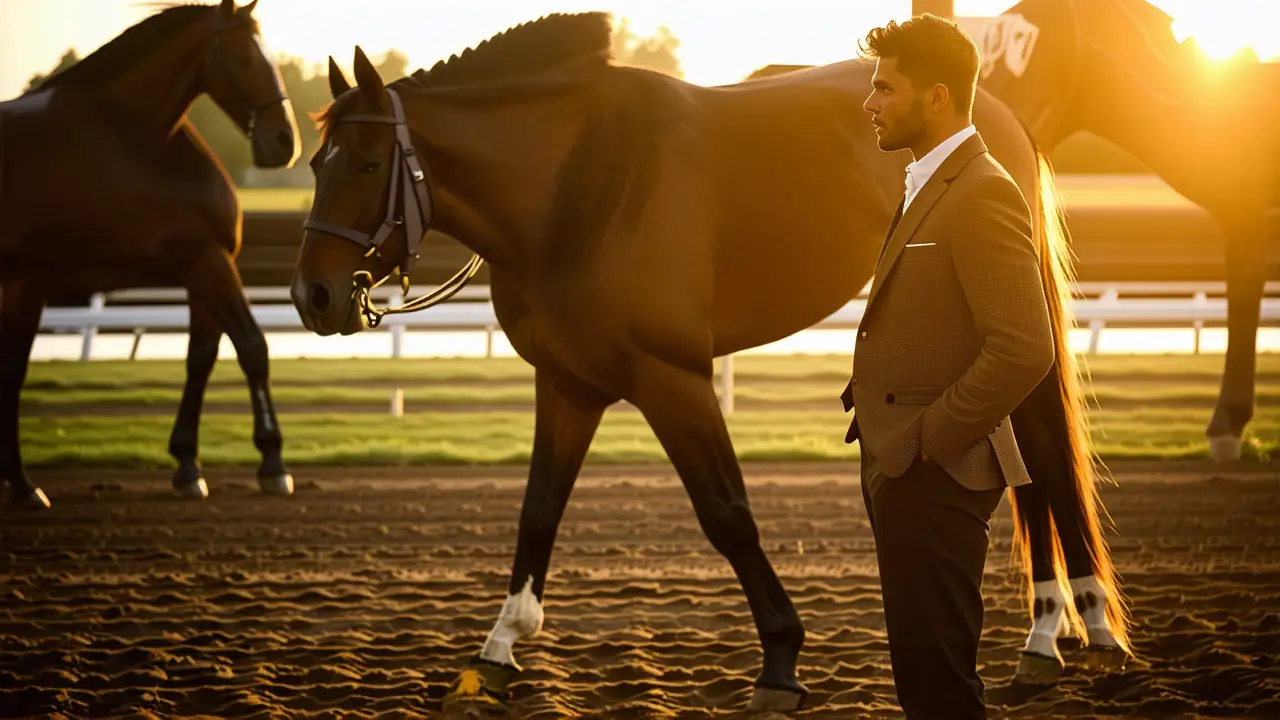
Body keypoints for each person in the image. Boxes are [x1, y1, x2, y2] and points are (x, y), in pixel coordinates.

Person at [838, 13, 1057, 719]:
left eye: (883, 87)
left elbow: (1025, 345)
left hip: (937, 473)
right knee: (921, 676)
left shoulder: (982, 189)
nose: (869, 103)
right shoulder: (925, 179)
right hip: (901, 465)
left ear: (935, 97)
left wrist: (929, 440)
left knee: (940, 687)